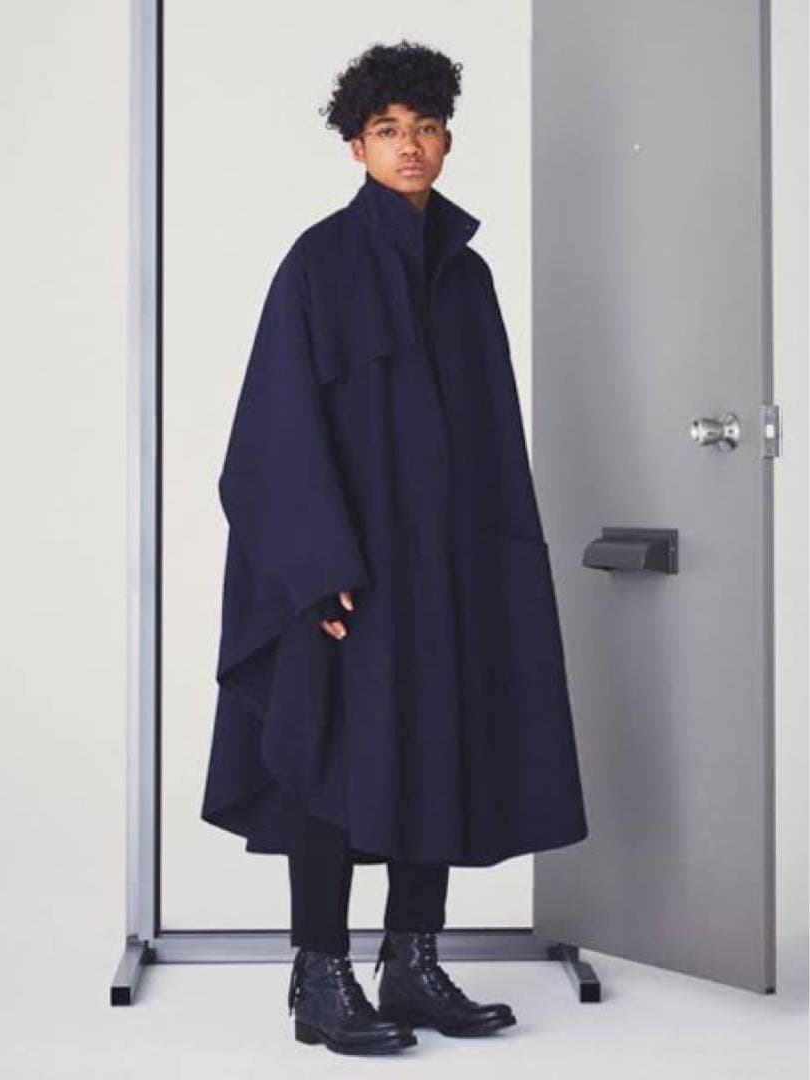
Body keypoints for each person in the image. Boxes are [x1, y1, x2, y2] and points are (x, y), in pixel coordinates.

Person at [201, 39, 589, 1056]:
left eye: (424, 128)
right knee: (330, 753)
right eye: (386, 130)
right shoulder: (318, 264)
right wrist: (314, 568)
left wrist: (500, 564)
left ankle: (411, 963)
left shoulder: (466, 276)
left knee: (439, 744)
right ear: (355, 146)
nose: (408, 145)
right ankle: (320, 976)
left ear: (446, 140)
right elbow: (272, 430)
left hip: (452, 566)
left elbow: (492, 438)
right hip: (349, 570)